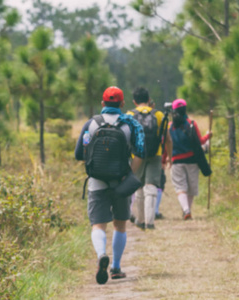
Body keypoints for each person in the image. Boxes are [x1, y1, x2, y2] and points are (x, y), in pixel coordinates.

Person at [75, 86, 145, 284]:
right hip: (121, 181)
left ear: (103, 103)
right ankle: (115, 267)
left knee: (98, 224)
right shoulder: (129, 125)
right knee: (120, 224)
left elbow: (79, 154)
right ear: (123, 104)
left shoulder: (91, 124)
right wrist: (129, 174)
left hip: (96, 182)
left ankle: (100, 256)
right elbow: (140, 152)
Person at [127, 87, 170, 230]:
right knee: (151, 186)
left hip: (136, 155)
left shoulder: (129, 115)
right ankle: (150, 222)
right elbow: (167, 139)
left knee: (139, 187)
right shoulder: (158, 114)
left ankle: (140, 219)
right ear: (149, 99)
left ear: (134, 101)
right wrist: (169, 156)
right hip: (155, 154)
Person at [165, 99, 212, 220]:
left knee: (180, 187)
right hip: (192, 160)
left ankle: (186, 210)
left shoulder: (170, 127)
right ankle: (187, 210)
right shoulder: (191, 123)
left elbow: (166, 143)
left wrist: (166, 158)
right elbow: (200, 141)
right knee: (191, 187)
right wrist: (208, 136)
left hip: (176, 161)